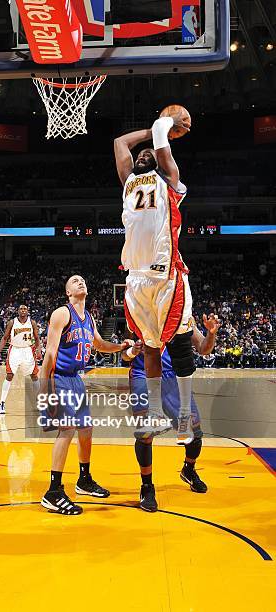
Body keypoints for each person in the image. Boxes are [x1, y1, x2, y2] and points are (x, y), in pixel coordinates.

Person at [114, 112, 195, 445]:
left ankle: (186, 419)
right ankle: (157, 414)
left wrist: (165, 127)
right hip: (135, 279)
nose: (143, 153)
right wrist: (149, 130)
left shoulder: (170, 181)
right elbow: (120, 143)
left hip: (166, 276)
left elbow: (162, 150)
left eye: (149, 153)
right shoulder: (129, 182)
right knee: (149, 347)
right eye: (141, 153)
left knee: (180, 344)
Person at [40, 275, 131, 515]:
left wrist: (121, 347)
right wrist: (44, 388)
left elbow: (99, 344)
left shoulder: (89, 318)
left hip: (77, 379)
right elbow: (50, 353)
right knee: (67, 429)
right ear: (68, 292)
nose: (80, 281)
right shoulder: (62, 313)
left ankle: (84, 479)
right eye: (74, 281)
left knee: (86, 429)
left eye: (82, 280)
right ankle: (53, 490)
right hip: (59, 377)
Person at [122, 314, 220, 512]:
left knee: (195, 433)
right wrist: (133, 351)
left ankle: (188, 469)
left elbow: (203, 348)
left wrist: (211, 334)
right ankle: (147, 487)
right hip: (143, 375)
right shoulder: (138, 310)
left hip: (172, 377)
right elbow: (124, 355)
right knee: (145, 433)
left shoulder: (183, 315)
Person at [0, 305, 41, 415]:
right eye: (21, 309)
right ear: (18, 311)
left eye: (25, 309)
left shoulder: (32, 323)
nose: (23, 310)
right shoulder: (12, 322)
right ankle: (2, 402)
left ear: (27, 311)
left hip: (28, 350)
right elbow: (5, 337)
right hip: (15, 350)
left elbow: (36, 338)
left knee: (34, 376)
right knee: (10, 375)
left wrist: (38, 350)